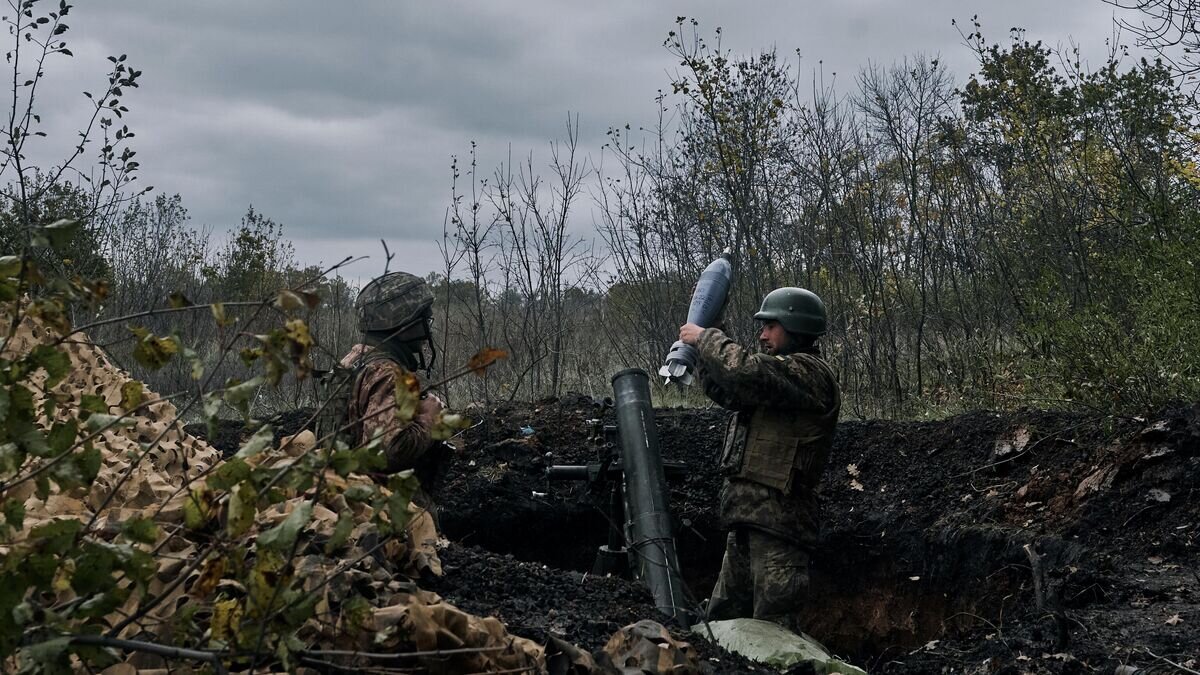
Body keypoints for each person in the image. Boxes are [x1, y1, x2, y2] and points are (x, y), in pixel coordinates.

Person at [677, 286, 841, 627]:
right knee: (720, 627)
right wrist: (712, 326)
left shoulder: (809, 374)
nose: (762, 335)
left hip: (781, 532)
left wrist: (706, 337)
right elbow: (730, 387)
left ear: (795, 328)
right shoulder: (775, 381)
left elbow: (746, 371)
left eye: (770, 326)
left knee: (772, 634)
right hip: (747, 524)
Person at [334, 271, 446, 476]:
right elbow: (390, 450)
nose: (427, 329)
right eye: (424, 320)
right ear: (405, 324)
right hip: (379, 499)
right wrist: (430, 418)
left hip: (343, 486)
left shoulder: (354, 359)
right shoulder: (387, 373)